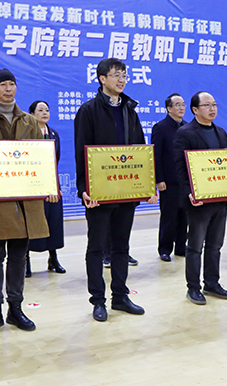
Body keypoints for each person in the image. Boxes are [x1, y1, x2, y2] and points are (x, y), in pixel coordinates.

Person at [0, 68, 58, 336]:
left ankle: (15, 309)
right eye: (3, 84)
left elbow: (42, 158)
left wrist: (49, 185)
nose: (8, 89)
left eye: (12, 84)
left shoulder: (29, 121)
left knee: (18, 255)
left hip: (25, 200)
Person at [74, 58, 157, 322]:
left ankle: (120, 296)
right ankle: (98, 300)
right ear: (102, 79)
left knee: (121, 247)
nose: (121, 80)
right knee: (96, 248)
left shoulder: (130, 110)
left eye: (124, 75)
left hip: (126, 190)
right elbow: (81, 153)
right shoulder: (88, 110)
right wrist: (84, 188)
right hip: (99, 193)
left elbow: (140, 150)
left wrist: (147, 183)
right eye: (116, 75)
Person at [175, 91, 227, 305]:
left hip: (220, 198)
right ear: (195, 110)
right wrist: (190, 192)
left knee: (215, 244)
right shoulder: (185, 133)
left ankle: (212, 283)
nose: (212, 109)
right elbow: (180, 168)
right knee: (195, 246)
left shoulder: (221, 132)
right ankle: (193, 287)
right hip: (199, 200)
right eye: (207, 105)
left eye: (214, 104)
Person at [25, 100, 66, 276]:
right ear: (31, 114)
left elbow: (55, 161)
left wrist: (55, 185)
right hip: (32, 184)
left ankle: (53, 259)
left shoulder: (54, 133)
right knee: (31, 223)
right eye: (40, 110)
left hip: (51, 184)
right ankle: (25, 261)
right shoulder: (26, 133)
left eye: (47, 110)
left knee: (53, 221)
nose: (45, 113)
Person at [151, 93, 187, 262]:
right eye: (177, 104)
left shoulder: (188, 127)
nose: (181, 108)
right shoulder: (160, 127)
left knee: (184, 216)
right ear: (169, 108)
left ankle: (181, 247)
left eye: (183, 104)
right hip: (168, 181)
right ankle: (165, 249)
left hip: (185, 180)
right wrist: (159, 179)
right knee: (169, 216)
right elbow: (156, 155)